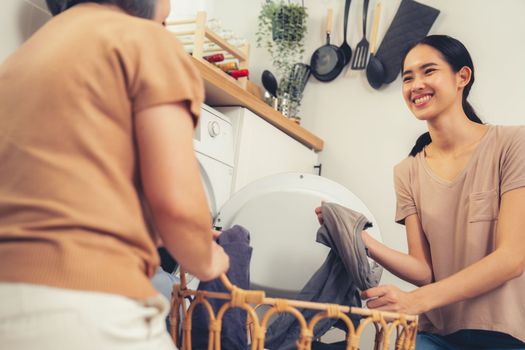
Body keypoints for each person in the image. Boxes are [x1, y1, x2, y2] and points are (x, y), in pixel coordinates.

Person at [0, 0, 229, 349]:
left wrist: (154, 233)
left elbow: (60, 190)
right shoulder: (145, 39)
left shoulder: (20, 62)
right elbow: (178, 206)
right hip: (88, 308)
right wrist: (209, 258)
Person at [316, 35, 525, 349]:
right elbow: (425, 270)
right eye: (408, 77)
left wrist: (416, 301)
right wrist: (358, 238)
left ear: (462, 77)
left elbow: (512, 258)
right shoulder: (407, 171)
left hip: (506, 334)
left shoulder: (513, 145)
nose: (416, 85)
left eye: (429, 71)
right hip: (436, 334)